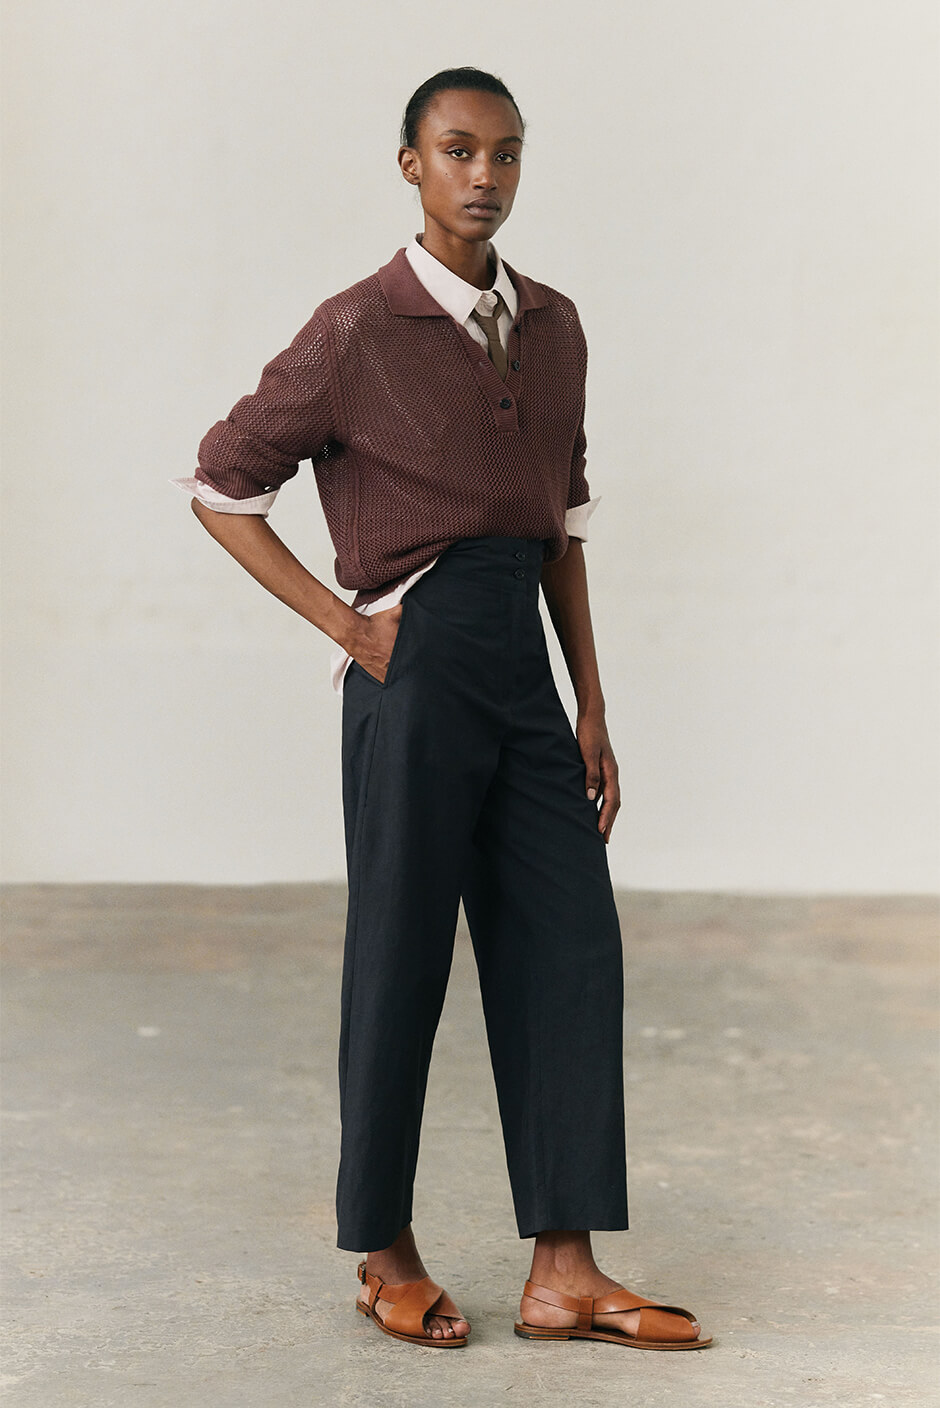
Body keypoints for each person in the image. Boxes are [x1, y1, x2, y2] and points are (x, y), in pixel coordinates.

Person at [172, 66, 710, 1353]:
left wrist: (590, 700)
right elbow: (220, 484)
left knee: (569, 945)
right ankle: (383, 1250)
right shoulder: (358, 329)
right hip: (414, 668)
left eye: (505, 153)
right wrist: (346, 625)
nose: (484, 174)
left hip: (524, 664)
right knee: (400, 954)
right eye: (458, 150)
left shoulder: (556, 325)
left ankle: (564, 1270)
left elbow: (562, 526)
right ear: (410, 164)